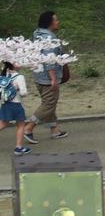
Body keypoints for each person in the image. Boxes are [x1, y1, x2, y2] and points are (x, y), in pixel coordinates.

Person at [25, 10, 68, 144]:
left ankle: (54, 130)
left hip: (38, 74)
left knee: (50, 103)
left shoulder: (37, 34)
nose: (58, 21)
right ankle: (28, 128)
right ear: (50, 23)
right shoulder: (50, 39)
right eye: (55, 20)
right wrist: (53, 78)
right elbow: (49, 60)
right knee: (48, 104)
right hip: (47, 78)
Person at [1, 61, 31, 155]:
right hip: (16, 104)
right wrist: (18, 90)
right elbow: (23, 93)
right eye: (17, 62)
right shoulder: (19, 77)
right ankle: (19, 147)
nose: (20, 63)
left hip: (5, 103)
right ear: (13, 65)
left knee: (3, 123)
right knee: (21, 125)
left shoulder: (4, 74)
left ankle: (19, 147)